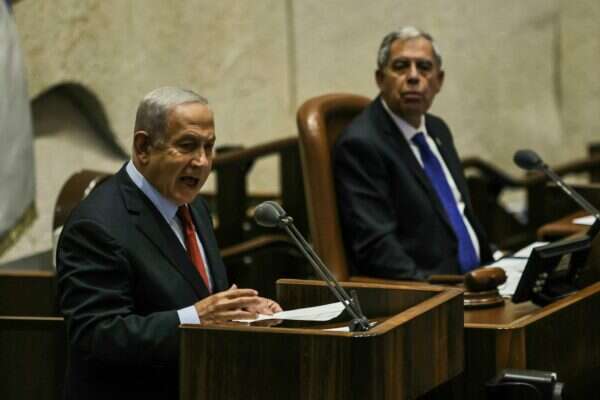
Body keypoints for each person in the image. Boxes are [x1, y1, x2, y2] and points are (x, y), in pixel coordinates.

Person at [57, 87, 281, 400]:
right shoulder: (96, 226)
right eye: (188, 146)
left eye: (209, 147)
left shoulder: (194, 207)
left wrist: (238, 311)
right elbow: (96, 335)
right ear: (143, 146)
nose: (202, 162)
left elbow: (191, 293)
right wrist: (194, 319)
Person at [333, 27, 493, 280]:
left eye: (424, 67)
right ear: (380, 78)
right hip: (430, 295)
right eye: (400, 66)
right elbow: (377, 247)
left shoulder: (437, 129)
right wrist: (437, 295)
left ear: (439, 81)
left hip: (479, 281)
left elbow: (460, 213)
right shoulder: (362, 144)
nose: (413, 76)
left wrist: (492, 267)